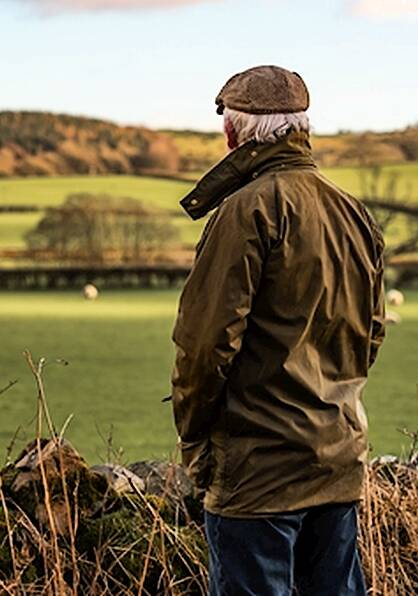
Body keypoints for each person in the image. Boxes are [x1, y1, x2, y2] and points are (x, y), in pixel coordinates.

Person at [170, 65, 385, 596]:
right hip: (336, 461)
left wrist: (197, 438)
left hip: (258, 474)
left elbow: (204, 349)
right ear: (302, 128)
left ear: (231, 133)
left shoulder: (244, 212)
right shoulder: (353, 213)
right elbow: (370, 335)